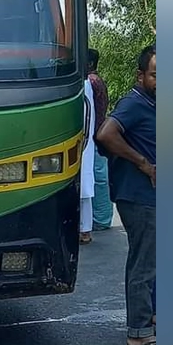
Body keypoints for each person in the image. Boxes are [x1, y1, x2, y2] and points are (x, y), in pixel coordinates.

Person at [96, 43, 156, 345]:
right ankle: (139, 333)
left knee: (156, 262)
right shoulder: (134, 103)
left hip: (153, 197)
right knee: (143, 264)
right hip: (139, 197)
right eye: (157, 75)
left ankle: (153, 319)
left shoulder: (154, 103)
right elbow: (105, 134)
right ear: (141, 75)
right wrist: (143, 163)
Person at [88, 49, 113, 232]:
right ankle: (103, 217)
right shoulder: (98, 80)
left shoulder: (91, 81)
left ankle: (102, 219)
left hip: (94, 135)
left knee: (98, 178)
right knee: (100, 177)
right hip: (99, 133)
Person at [79, 76, 96, 243]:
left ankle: (84, 230)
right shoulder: (86, 84)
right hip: (83, 140)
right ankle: (84, 229)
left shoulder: (84, 84)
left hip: (82, 139)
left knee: (83, 187)